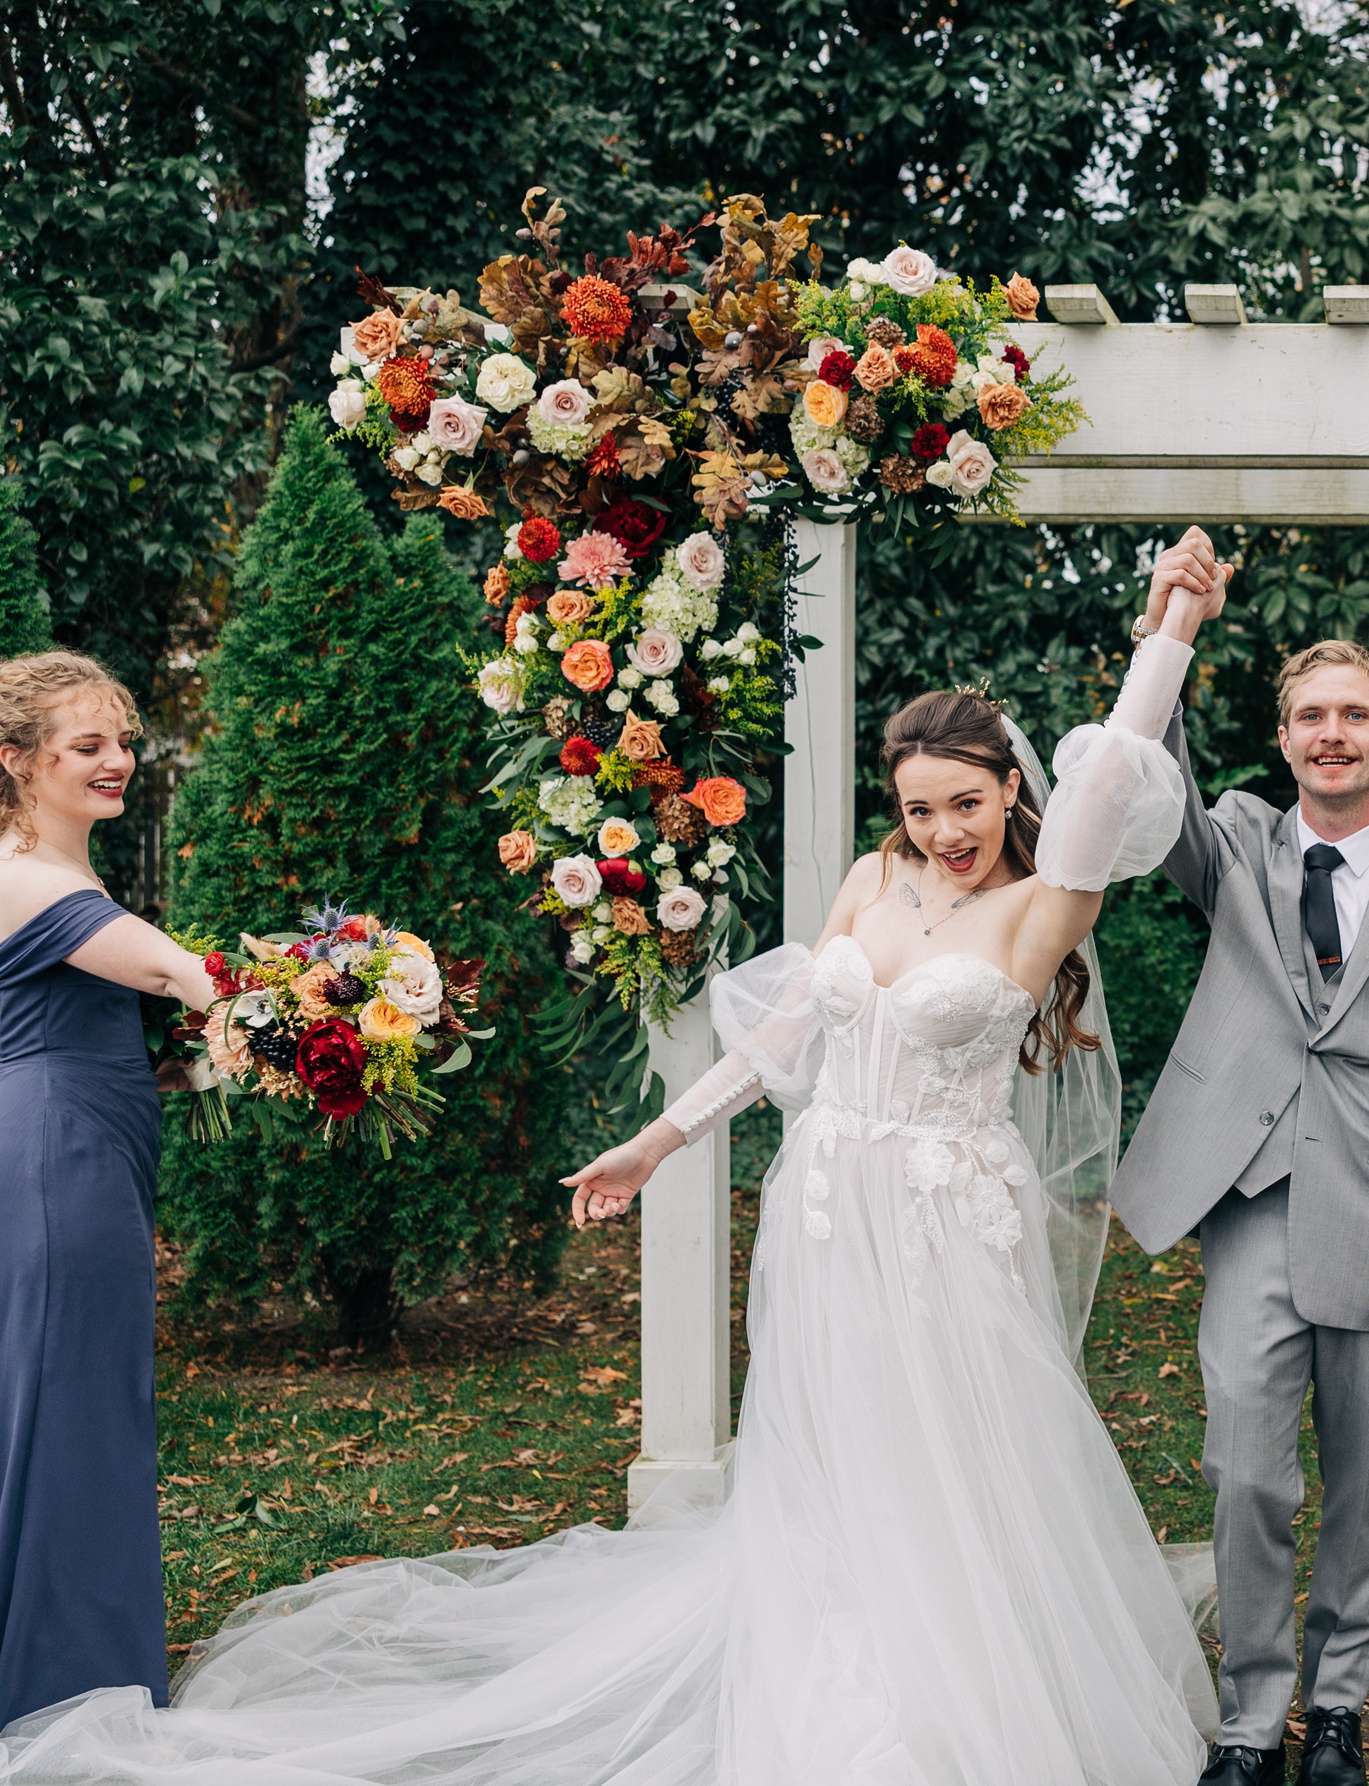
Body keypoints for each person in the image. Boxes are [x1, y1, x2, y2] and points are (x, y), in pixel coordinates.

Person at [0, 590, 1224, 1781]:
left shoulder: (1038, 909)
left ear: (1015, 789)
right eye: (917, 808)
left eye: (966, 802)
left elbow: (1111, 779)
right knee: (836, 1457)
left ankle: (954, 1696)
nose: (942, 831)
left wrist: (1167, 634)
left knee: (954, 1450)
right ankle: (831, 1662)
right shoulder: (870, 879)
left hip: (947, 1225)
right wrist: (659, 1142)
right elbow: (782, 1040)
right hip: (825, 1212)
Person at [1112, 529, 1369, 1786]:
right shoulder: (1231, 846)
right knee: (1242, 1466)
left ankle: (1337, 1706)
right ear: (1282, 739)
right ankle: (1250, 1715)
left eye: (1353, 715)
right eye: (1308, 717)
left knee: (1362, 1484)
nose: (1330, 734)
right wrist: (1170, 626)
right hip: (1252, 1212)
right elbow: (1141, 770)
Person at [0, 652, 218, 1727]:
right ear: (17, 761)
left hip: (74, 1141)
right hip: (60, 1162)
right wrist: (321, 1008)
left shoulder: (53, 875)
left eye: (123, 741)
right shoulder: (30, 876)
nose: (118, 761)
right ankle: (64, 1680)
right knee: (73, 1408)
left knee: (68, 1398)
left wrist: (166, 1056)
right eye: (87, 745)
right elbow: (189, 974)